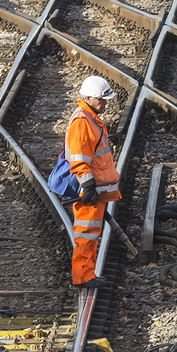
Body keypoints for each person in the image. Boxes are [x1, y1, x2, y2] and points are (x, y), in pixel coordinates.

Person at [65, 74, 119, 289]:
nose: (105, 103)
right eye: (102, 99)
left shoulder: (90, 118)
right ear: (89, 98)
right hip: (89, 189)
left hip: (96, 188)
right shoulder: (82, 121)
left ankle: (87, 273)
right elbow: (78, 158)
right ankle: (82, 277)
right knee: (86, 233)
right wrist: (87, 184)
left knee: (91, 233)